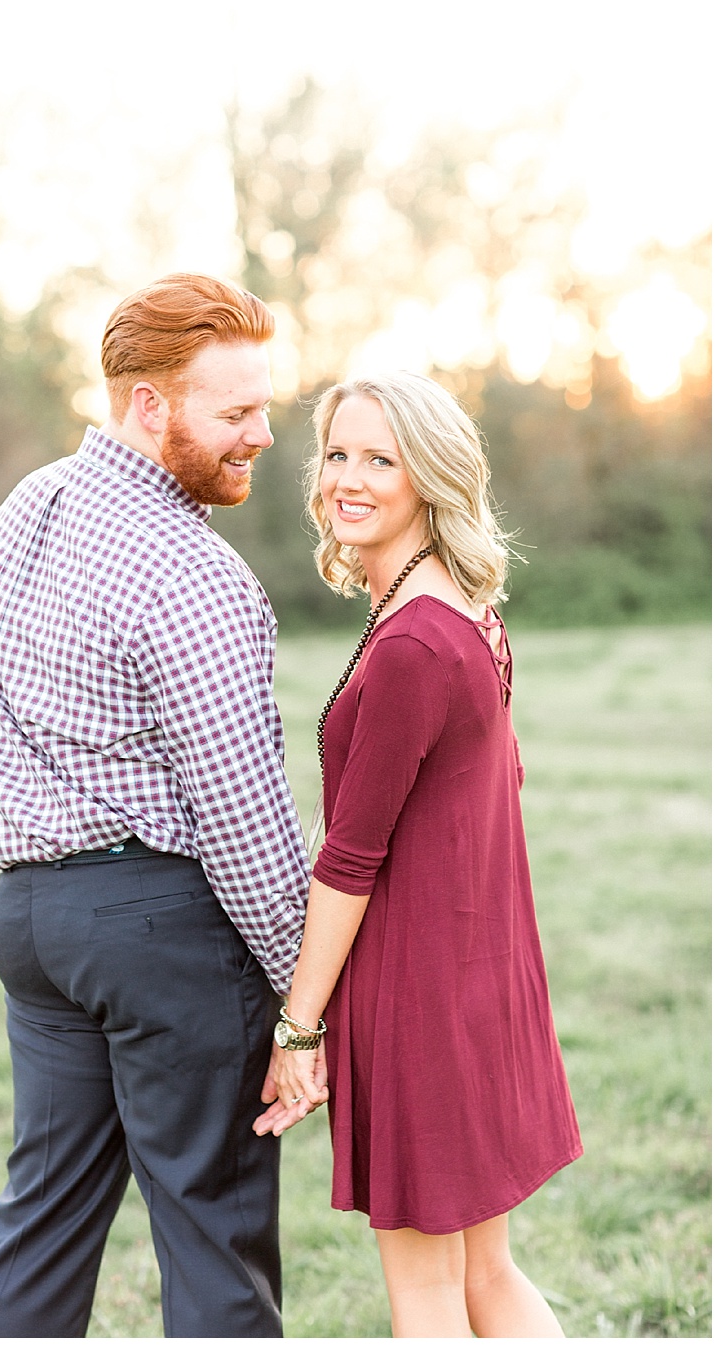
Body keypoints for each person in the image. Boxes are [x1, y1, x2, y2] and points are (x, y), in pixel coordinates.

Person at [0, 273, 309, 1337]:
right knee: (214, 1237)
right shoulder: (192, 572)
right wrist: (308, 1002)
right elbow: (245, 819)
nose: (259, 436)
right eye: (234, 411)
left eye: (265, 408)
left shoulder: (26, 509)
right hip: (163, 928)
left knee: (41, 1221)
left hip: (33, 924)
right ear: (152, 405)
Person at [252, 372, 581, 1336]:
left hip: (424, 1007)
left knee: (431, 1300)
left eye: (379, 459)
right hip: (480, 986)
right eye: (339, 455)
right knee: (487, 1277)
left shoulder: (414, 648)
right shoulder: (466, 615)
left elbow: (350, 860)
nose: (347, 479)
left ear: (428, 476)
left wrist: (298, 1030)